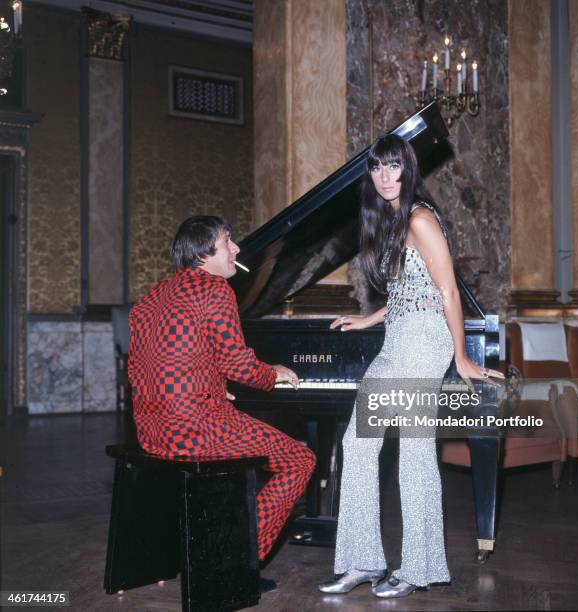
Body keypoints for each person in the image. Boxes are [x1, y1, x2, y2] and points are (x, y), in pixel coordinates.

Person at [318, 135, 504, 598]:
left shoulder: (419, 218)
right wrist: (368, 319)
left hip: (425, 342)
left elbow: (447, 292)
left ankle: (418, 567)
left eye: (393, 167)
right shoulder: (391, 220)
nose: (384, 177)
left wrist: (461, 357)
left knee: (415, 452)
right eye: (377, 168)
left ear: (408, 170)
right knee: (357, 445)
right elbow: (405, 293)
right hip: (396, 338)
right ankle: (362, 560)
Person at [128, 215, 315, 568]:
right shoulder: (214, 289)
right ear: (203, 252)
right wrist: (270, 374)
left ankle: (216, 542)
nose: (237, 248)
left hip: (151, 432)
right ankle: (237, 556)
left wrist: (213, 384)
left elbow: (147, 365)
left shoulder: (150, 298)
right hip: (195, 429)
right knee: (300, 460)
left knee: (243, 447)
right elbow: (239, 365)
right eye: (228, 240)